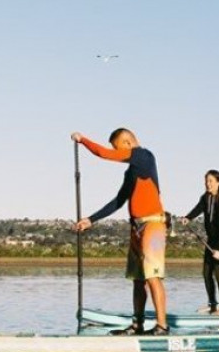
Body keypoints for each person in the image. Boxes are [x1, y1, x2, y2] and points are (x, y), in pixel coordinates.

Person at [72, 128, 169, 335]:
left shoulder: (144, 156)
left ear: (127, 142)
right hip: (136, 227)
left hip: (153, 224)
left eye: (118, 148)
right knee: (137, 279)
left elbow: (104, 154)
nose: (117, 153)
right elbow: (118, 201)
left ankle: (162, 325)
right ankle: (138, 324)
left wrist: (83, 140)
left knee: (153, 276)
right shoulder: (131, 171)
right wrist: (91, 220)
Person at [183, 170, 219, 315]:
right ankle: (212, 305)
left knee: (218, 272)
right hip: (211, 240)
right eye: (206, 181)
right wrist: (188, 217)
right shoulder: (205, 198)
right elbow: (199, 208)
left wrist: (218, 249)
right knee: (206, 272)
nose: (208, 184)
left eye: (211, 181)